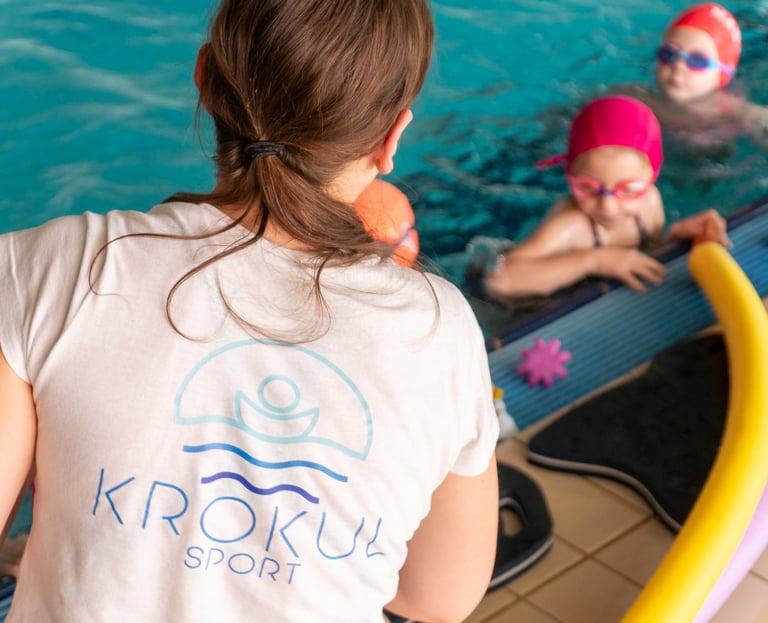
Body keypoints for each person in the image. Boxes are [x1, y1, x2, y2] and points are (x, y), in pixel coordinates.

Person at [0, 2, 500, 622]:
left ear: (204, 79)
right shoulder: (440, 328)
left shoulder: (46, 266)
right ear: (391, 137)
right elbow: (438, 598)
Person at [484, 95, 730, 299]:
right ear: (570, 176)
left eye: (629, 190)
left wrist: (677, 237)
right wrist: (594, 261)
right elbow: (499, 281)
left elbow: (648, 257)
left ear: (651, 179)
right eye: (588, 188)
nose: (608, 206)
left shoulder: (649, 202)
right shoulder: (573, 224)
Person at [620, 3, 768, 143]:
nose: (678, 66)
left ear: (723, 74)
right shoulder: (637, 99)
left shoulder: (738, 113)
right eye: (669, 54)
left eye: (697, 61)